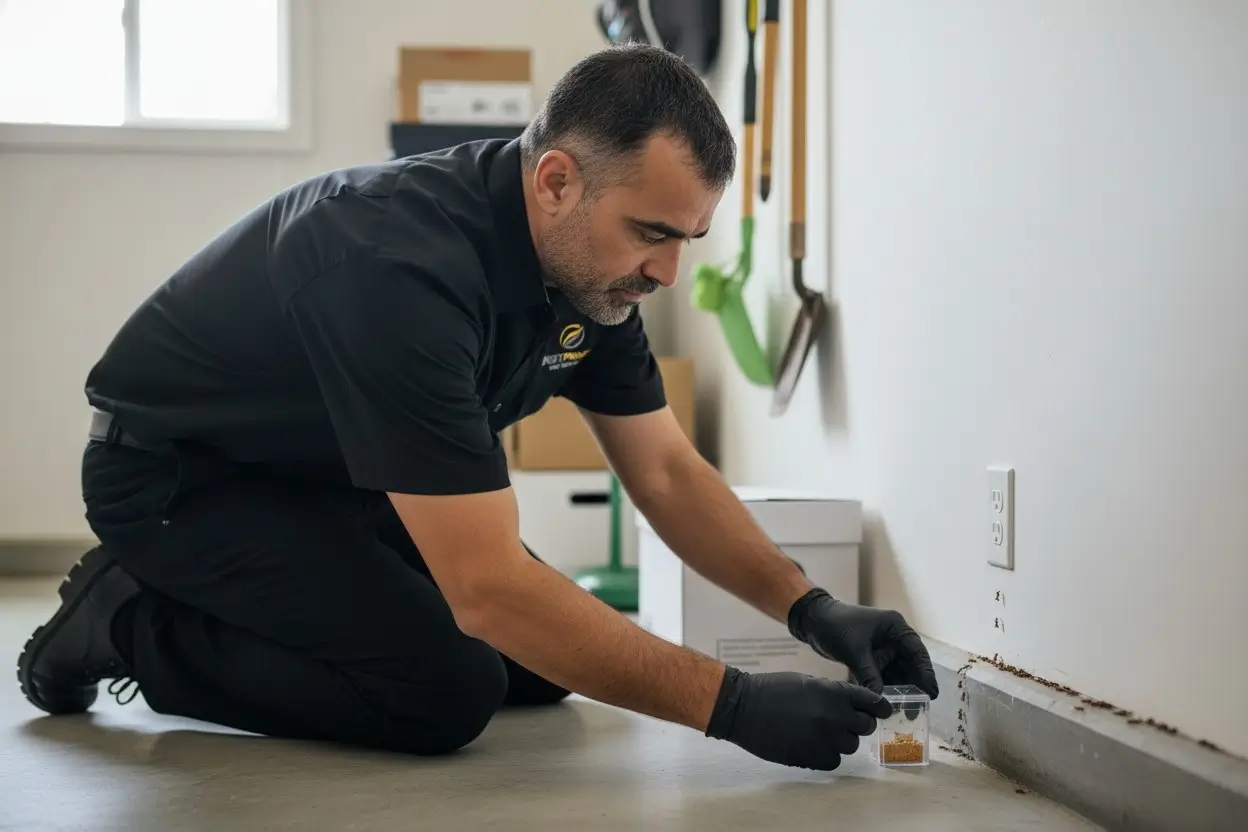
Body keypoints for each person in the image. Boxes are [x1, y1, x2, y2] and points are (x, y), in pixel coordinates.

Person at [17, 43, 937, 771]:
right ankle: (128, 620)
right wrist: (731, 706)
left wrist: (810, 610)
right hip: (183, 480)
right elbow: (488, 589)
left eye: (688, 238)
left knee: (534, 671)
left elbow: (663, 469)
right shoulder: (395, 266)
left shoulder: (592, 274)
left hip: (333, 473)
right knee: (445, 689)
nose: (669, 272)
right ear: (556, 182)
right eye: (654, 233)